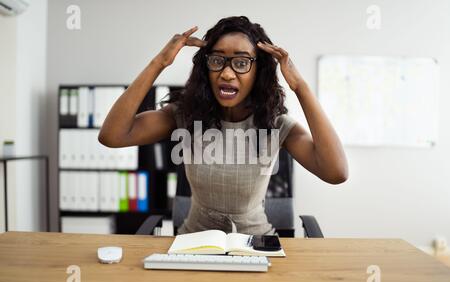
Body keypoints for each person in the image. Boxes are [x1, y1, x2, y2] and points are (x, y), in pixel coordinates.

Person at [98, 16, 348, 235]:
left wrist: (300, 87)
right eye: (217, 60)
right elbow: (112, 135)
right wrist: (159, 62)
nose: (227, 74)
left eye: (241, 63)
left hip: (255, 245)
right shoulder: (184, 116)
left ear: (257, 71)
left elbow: (336, 172)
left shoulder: (276, 126)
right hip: (192, 245)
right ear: (206, 66)